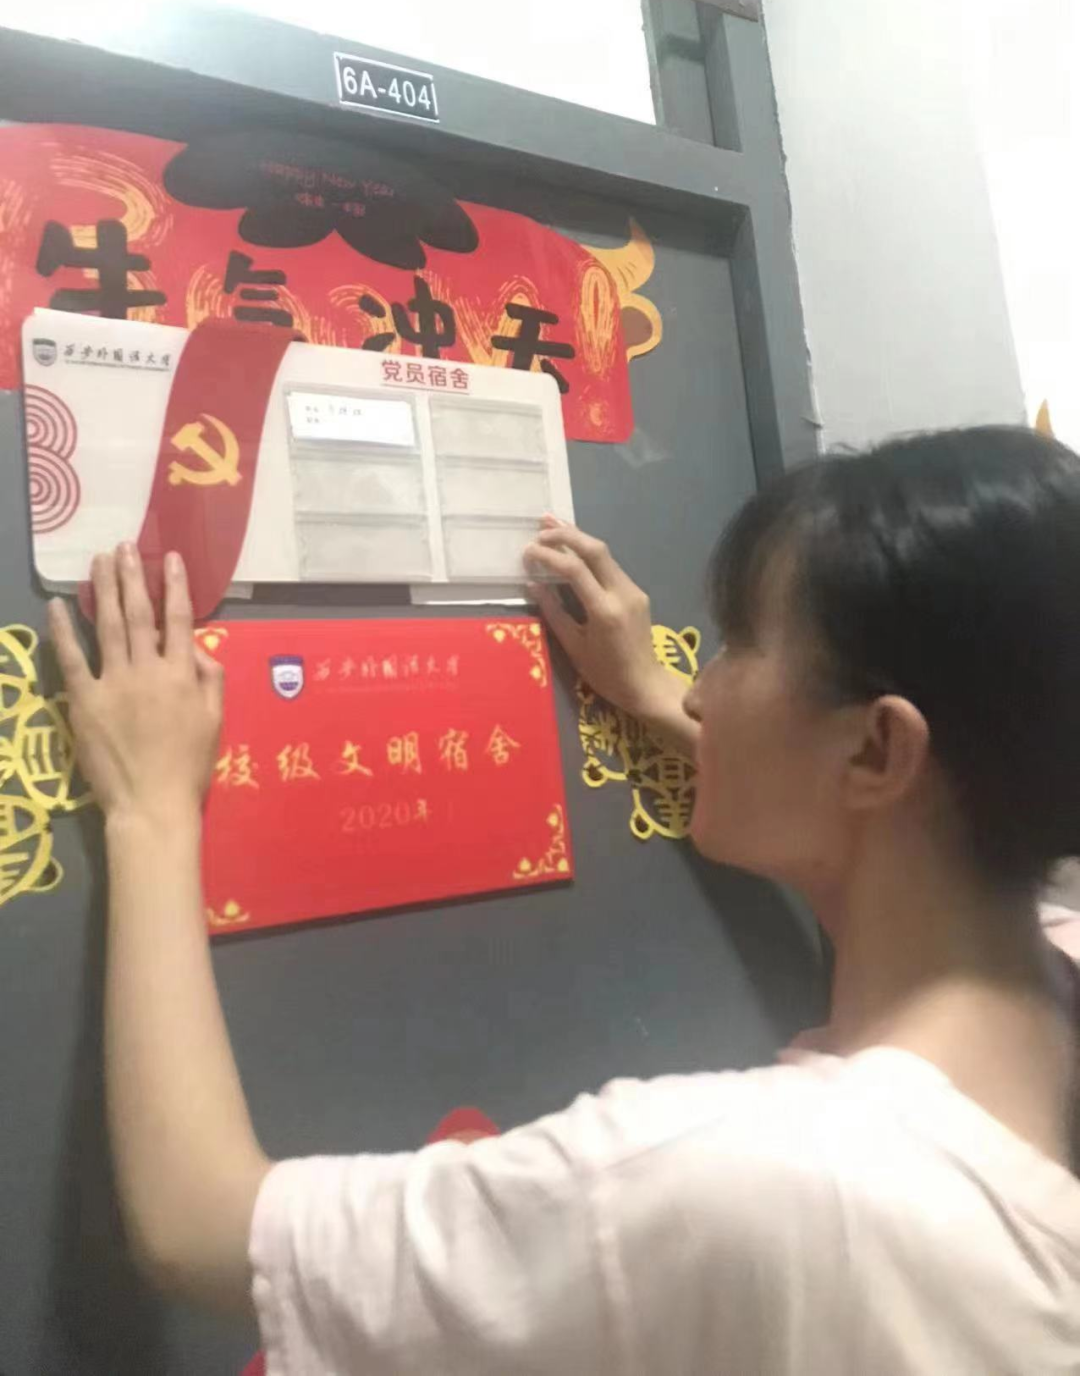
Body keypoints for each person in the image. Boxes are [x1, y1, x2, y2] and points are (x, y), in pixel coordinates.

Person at [51, 424, 1080, 1374]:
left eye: (737, 643)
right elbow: (897, 841)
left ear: (877, 749)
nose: (699, 688)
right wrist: (648, 697)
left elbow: (200, 1226)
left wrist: (150, 811)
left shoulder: (748, 1181)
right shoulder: (1050, 970)